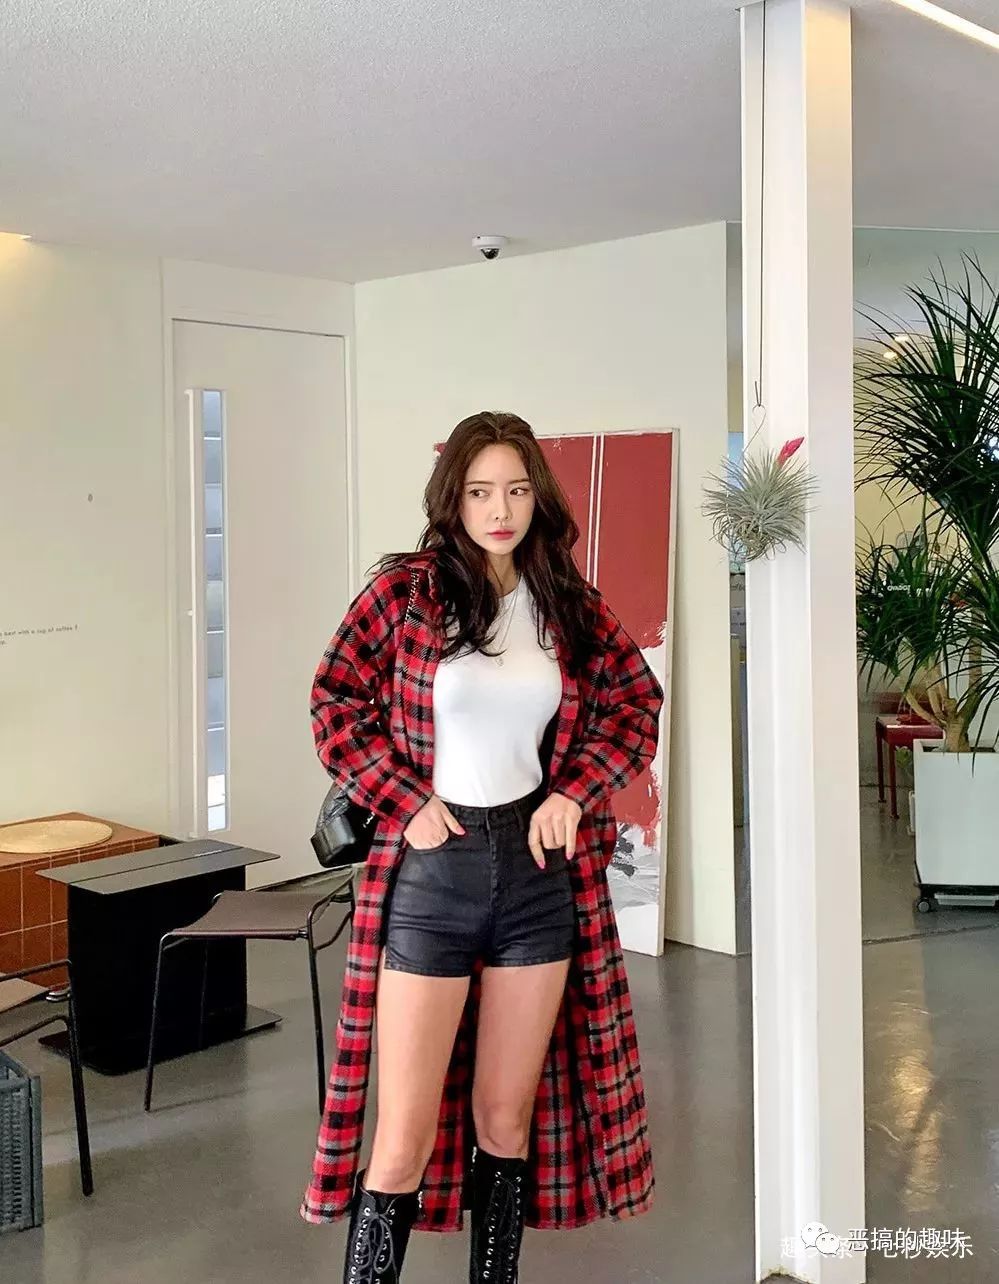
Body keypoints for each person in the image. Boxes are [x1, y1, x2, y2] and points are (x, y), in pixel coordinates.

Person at [301, 411, 664, 1284]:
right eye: (478, 491)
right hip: (433, 874)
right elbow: (333, 701)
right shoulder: (405, 594)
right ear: (451, 500)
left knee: (506, 1124)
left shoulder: (565, 602)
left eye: (515, 490)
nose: (499, 510)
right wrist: (402, 801)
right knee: (402, 1140)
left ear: (537, 498)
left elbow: (634, 705)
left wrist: (575, 791)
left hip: (536, 880)